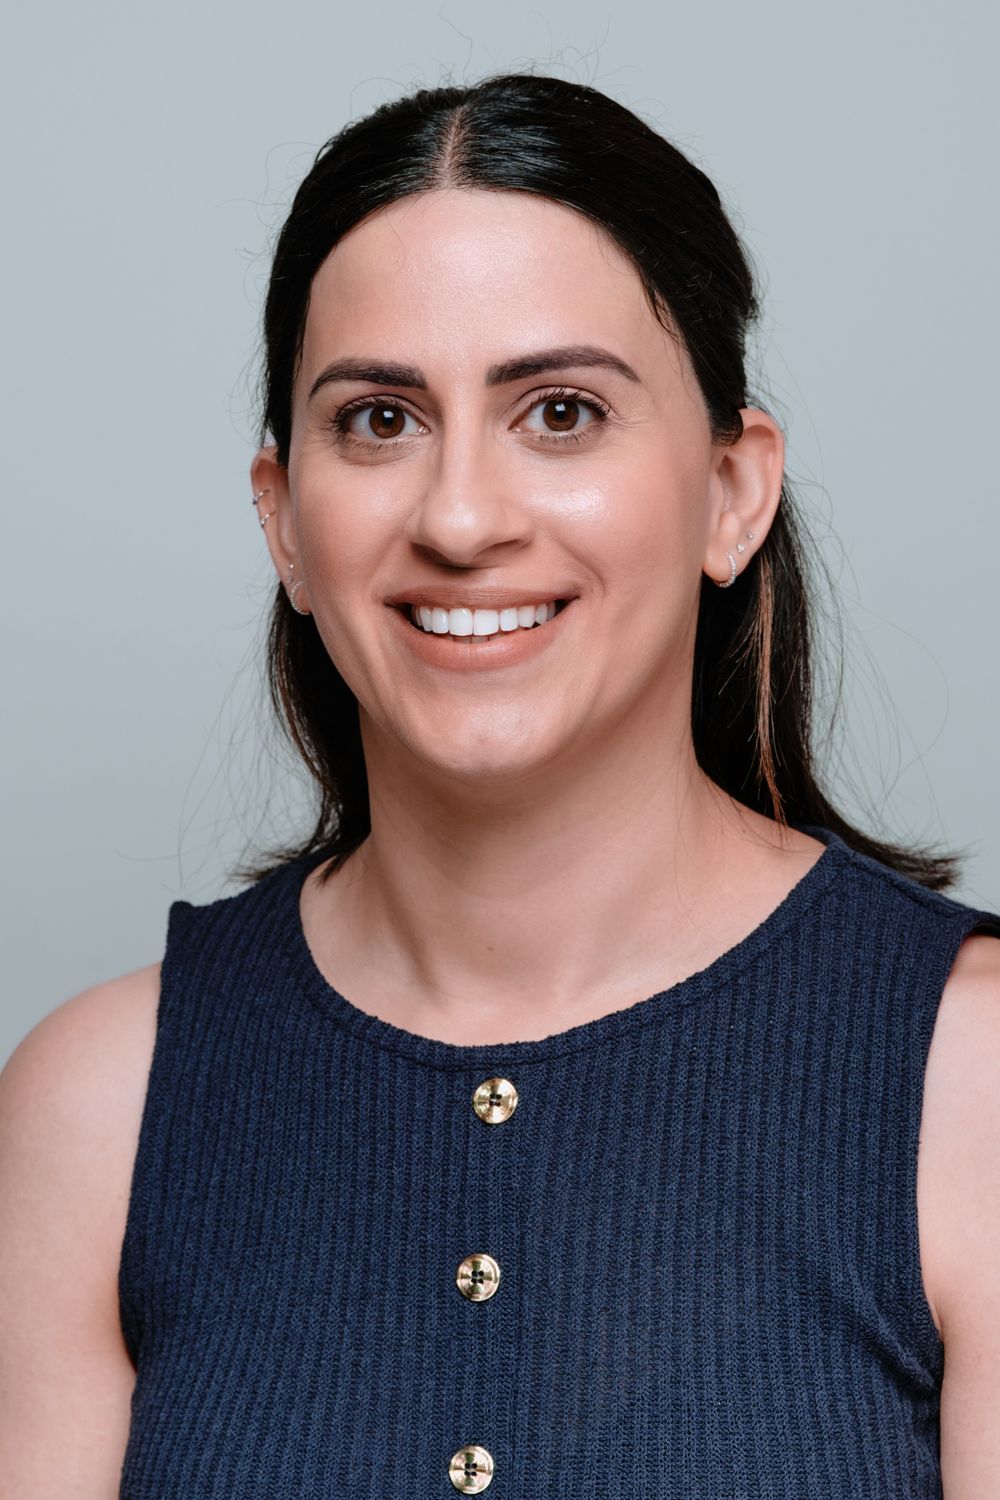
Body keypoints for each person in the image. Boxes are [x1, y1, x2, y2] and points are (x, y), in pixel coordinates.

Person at [1, 71, 998, 1499]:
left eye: (563, 412)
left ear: (732, 492)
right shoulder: (94, 1105)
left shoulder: (977, 1090)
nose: (462, 517)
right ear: (284, 519)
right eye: (381, 422)